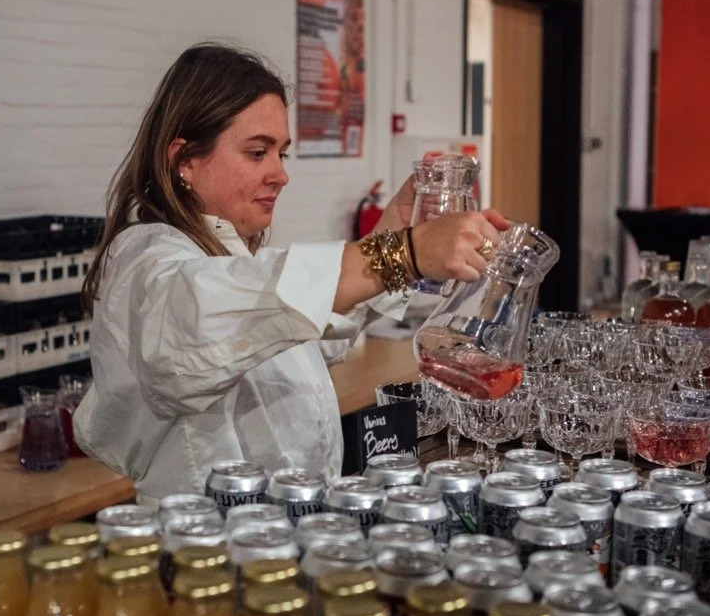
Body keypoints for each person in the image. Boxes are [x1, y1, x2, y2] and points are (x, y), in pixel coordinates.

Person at [75, 43, 509, 501]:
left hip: (284, 525)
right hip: (211, 535)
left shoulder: (230, 254)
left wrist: (393, 233)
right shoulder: (146, 258)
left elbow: (301, 334)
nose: (280, 175)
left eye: (281, 154)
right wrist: (402, 253)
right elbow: (197, 329)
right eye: (257, 152)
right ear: (185, 161)